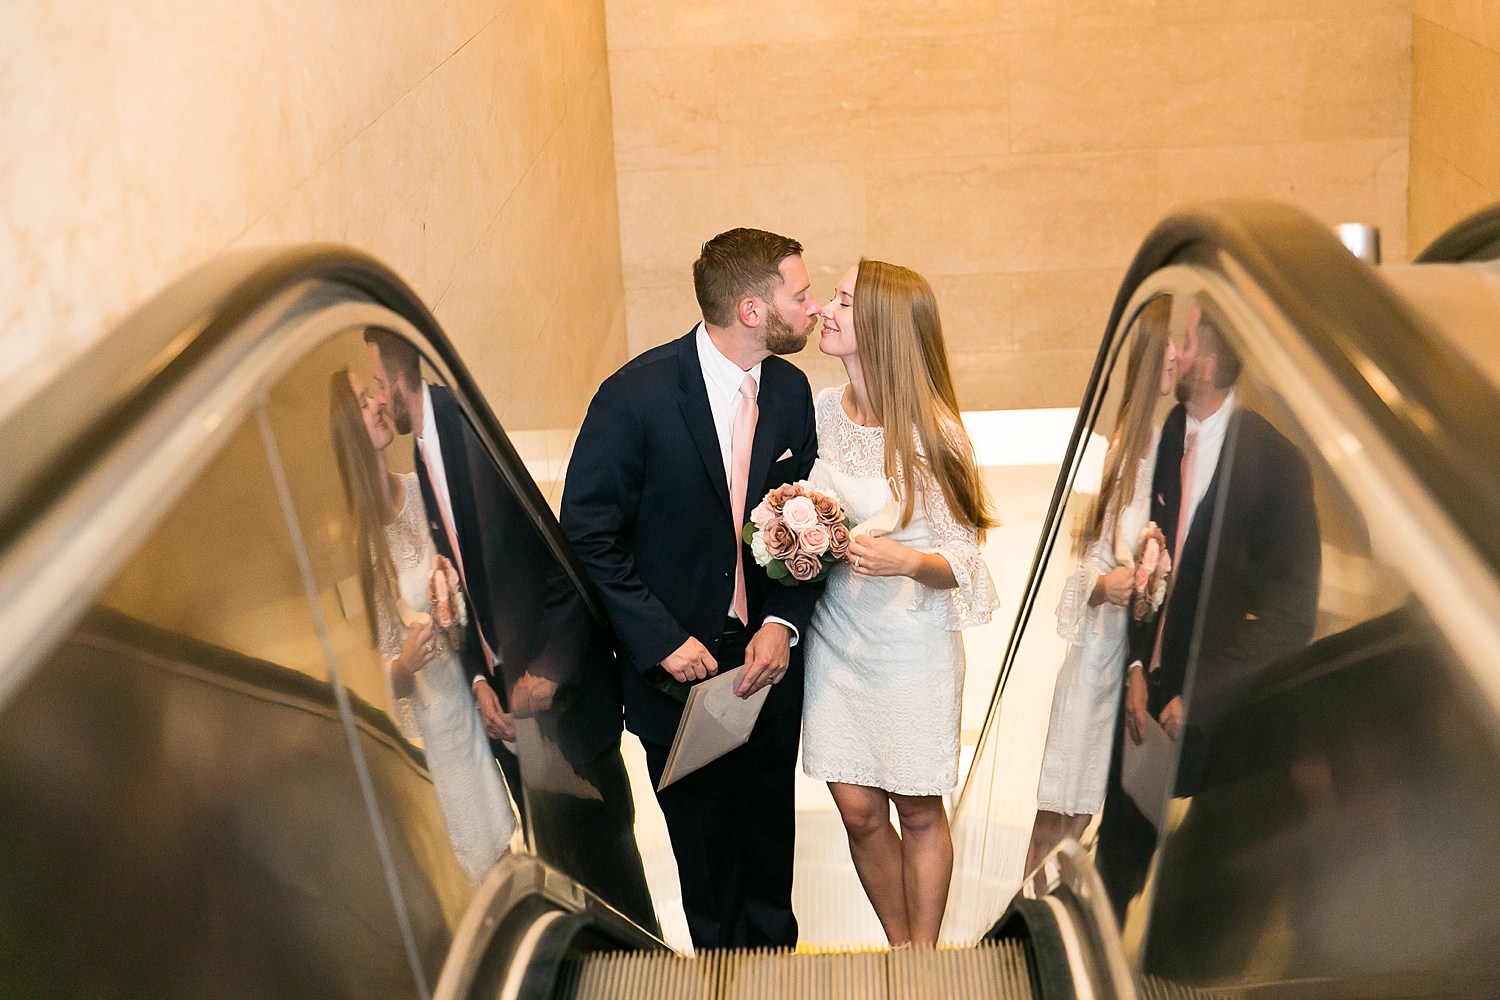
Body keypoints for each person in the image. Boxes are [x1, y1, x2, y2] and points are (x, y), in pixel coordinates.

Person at [560, 228, 823, 950]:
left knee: (771, 857)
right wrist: (660, 639)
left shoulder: (793, 391)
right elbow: (587, 533)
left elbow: (805, 529)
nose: (813, 307)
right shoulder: (634, 398)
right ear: (749, 309)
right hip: (677, 680)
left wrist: (783, 625)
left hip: (768, 665)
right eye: (798, 296)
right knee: (708, 870)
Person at [364, 328, 656, 930]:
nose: (375, 397)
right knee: (568, 887)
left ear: (397, 378)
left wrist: (548, 673)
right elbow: (467, 587)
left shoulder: (468, 436)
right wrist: (478, 678)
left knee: (617, 883)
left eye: (374, 384)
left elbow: (563, 557)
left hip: (565, 707)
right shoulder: (424, 448)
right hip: (510, 719)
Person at [1096, 306, 1321, 918]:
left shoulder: (1277, 465)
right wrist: (1139, 665)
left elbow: (1292, 615)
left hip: (1228, 717)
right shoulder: (1162, 436)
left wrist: (1203, 691)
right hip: (1144, 701)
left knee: (1212, 897)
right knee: (1114, 870)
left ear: (1214, 360)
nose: (1174, 352)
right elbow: (1147, 563)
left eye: (1187, 341)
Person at [801, 259, 999, 948]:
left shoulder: (934, 434)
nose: (826, 308)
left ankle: (921, 962)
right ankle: (899, 942)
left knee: (917, 811)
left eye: (844, 300)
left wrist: (906, 560)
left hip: (909, 649)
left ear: (878, 325)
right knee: (857, 808)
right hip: (838, 638)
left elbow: (968, 559)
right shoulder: (820, 413)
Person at [329, 368, 515, 884]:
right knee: (474, 870)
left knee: (506, 848)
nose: (379, 404)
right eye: (366, 401)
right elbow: (377, 674)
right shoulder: (362, 545)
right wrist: (406, 661)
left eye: (374, 395)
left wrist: (449, 599)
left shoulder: (418, 489)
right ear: (351, 428)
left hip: (470, 701)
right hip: (432, 732)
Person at [1024, 296, 1177, 878]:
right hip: (1095, 655)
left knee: (1087, 810)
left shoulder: (1168, 448)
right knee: (1057, 807)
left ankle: (1059, 923)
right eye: (1167, 355)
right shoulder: (1117, 454)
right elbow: (1081, 566)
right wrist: (1109, 583)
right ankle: (1028, 927)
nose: (1176, 364)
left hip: (1134, 659)